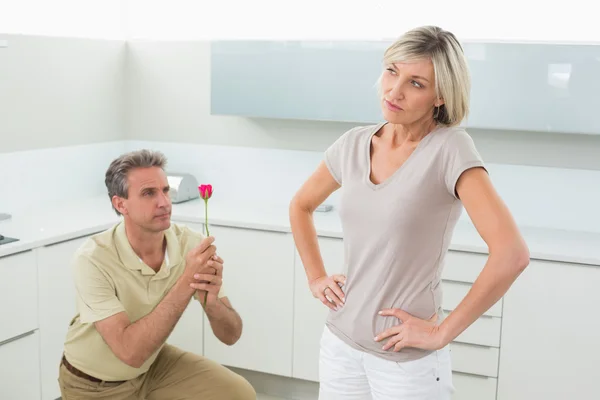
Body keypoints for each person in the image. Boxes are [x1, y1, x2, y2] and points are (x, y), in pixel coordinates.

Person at [289, 25, 530, 400]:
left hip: (405, 361)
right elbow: (300, 205)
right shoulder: (353, 143)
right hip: (339, 345)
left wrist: (441, 331)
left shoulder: (451, 149)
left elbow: (511, 254)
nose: (394, 91)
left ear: (440, 96)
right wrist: (316, 276)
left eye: (416, 83)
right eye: (391, 71)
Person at [58, 149, 256, 400]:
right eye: (148, 193)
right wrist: (188, 280)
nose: (164, 202)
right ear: (120, 204)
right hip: (93, 385)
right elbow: (130, 353)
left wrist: (213, 302)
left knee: (238, 393)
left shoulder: (189, 244)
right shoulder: (93, 258)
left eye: (165, 190)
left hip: (152, 369)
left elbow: (231, 335)